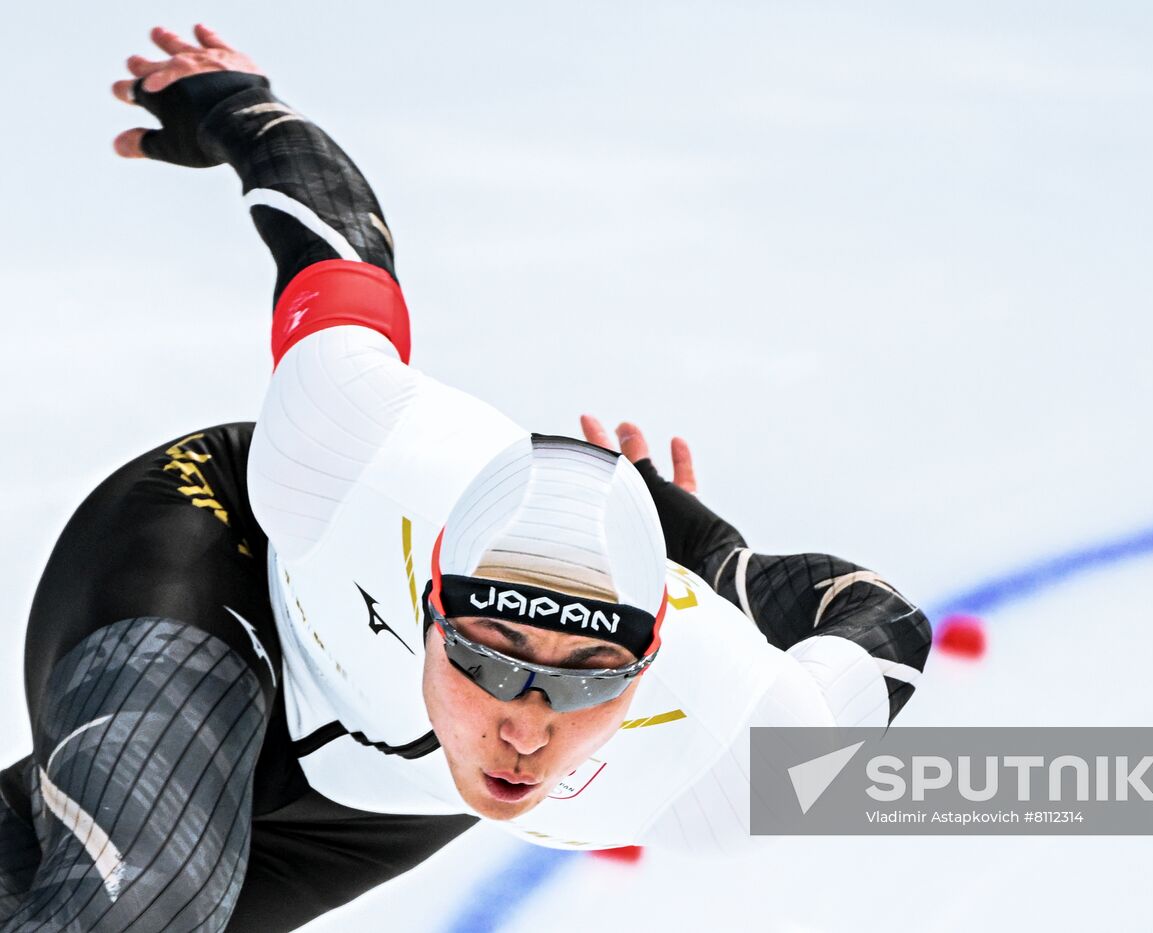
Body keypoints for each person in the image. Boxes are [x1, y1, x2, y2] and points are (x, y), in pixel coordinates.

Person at [0, 24, 932, 933]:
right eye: (487, 657)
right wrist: (242, 107)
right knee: (142, 902)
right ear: (428, 600)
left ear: (652, 662)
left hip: (368, 802)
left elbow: (881, 620)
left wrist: (724, 565)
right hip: (227, 564)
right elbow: (339, 253)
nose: (526, 729)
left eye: (585, 683)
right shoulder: (354, 444)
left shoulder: (729, 747)